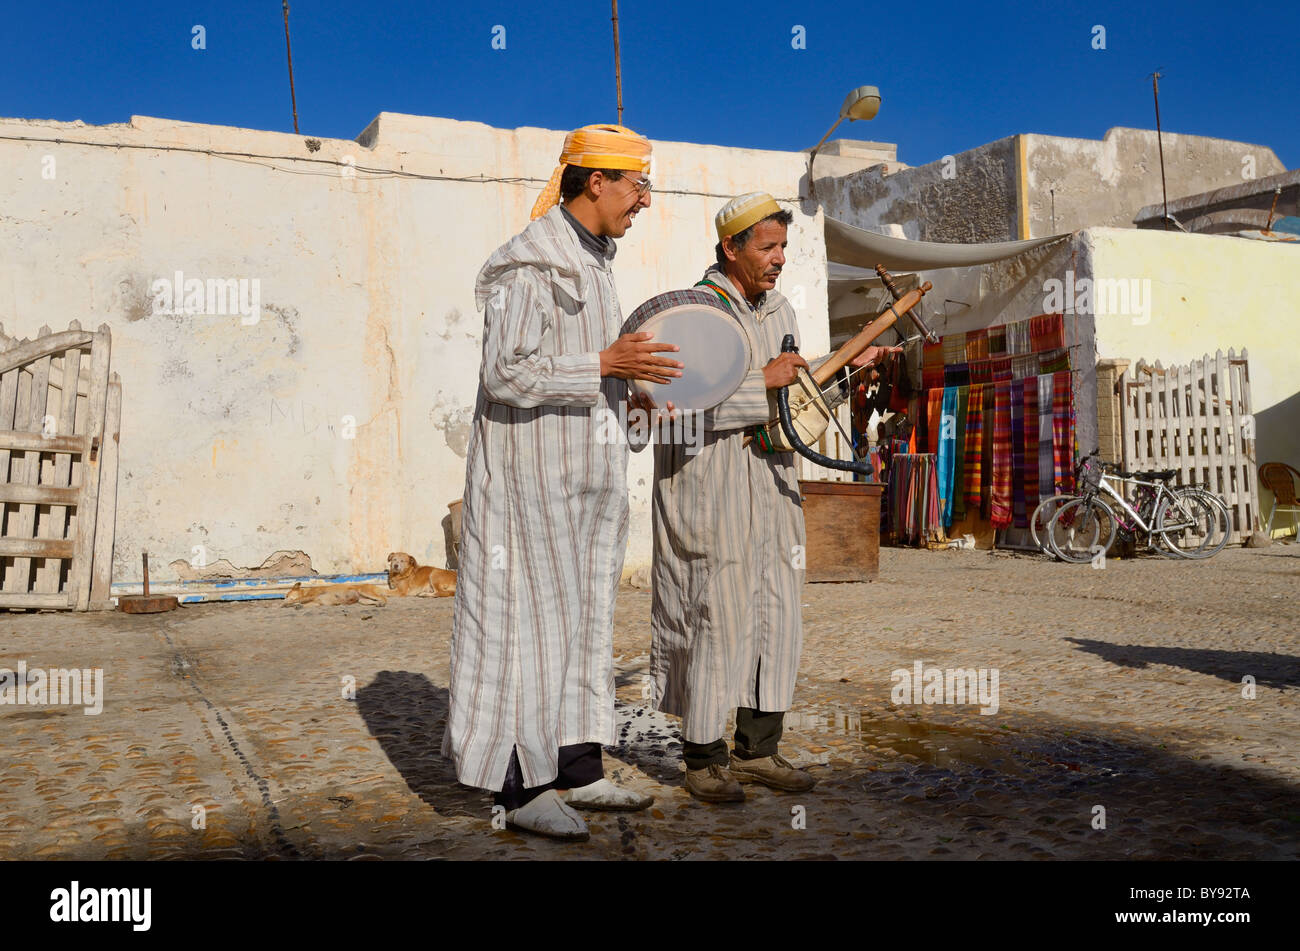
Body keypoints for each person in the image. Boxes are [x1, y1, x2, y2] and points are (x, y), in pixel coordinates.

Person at [443, 124, 683, 840]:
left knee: (580, 630)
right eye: (637, 184)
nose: (644, 200)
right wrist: (604, 365)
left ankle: (577, 768)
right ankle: (521, 789)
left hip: (583, 494)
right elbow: (506, 372)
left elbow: (588, 366)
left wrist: (625, 392)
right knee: (527, 633)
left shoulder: (595, 263)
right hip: (530, 491)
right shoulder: (531, 266)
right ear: (596, 181)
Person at [649, 192, 895, 803]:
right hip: (714, 485)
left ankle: (757, 750)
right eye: (767, 247)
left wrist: (835, 373)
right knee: (715, 615)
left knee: (775, 614)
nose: (780, 258)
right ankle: (703, 759)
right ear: (730, 248)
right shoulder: (697, 313)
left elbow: (791, 395)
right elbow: (672, 406)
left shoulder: (781, 306)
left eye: (785, 246)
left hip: (774, 484)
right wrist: (764, 383)